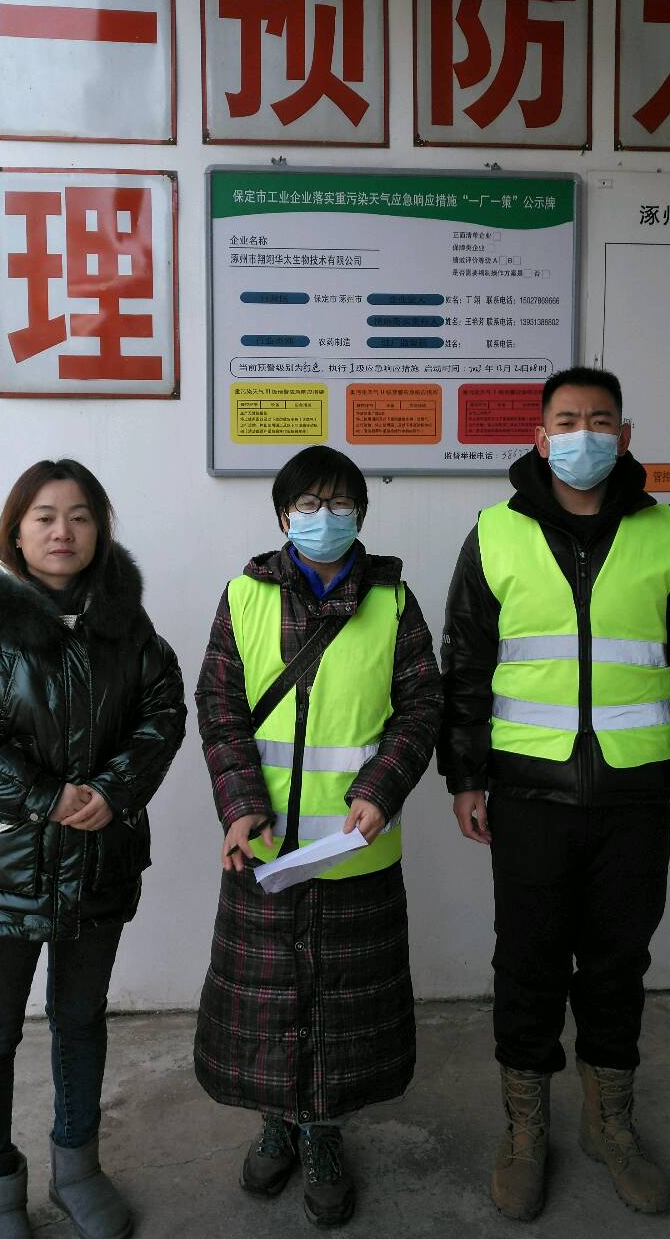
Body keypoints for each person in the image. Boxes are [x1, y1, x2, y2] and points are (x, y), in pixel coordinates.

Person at [439, 366, 670, 1222]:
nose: (584, 435)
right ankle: (525, 1131)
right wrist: (465, 776)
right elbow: (466, 668)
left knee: (617, 966)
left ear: (625, 435)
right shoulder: (495, 534)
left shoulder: (663, 533)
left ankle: (611, 1125)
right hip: (526, 796)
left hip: (633, 797)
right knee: (527, 965)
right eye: (567, 420)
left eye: (600, 420)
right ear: (540, 437)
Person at [0, 459, 186, 1239]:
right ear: (16, 529)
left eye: (80, 516)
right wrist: (43, 796)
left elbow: (163, 710)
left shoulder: (125, 624)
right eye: (44, 516)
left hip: (98, 859)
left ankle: (78, 1169)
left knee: (80, 1019)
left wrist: (115, 788)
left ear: (99, 531)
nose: (63, 531)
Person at [194, 444, 442, 1228]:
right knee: (270, 1006)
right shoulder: (242, 596)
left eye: (340, 504)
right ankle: (278, 1121)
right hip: (265, 849)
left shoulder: (394, 603)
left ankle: (324, 1130)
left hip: (354, 848)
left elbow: (422, 709)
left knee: (341, 1008)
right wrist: (239, 804)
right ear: (282, 517)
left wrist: (380, 790)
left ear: (361, 514)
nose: (324, 517)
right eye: (308, 504)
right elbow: (220, 710)